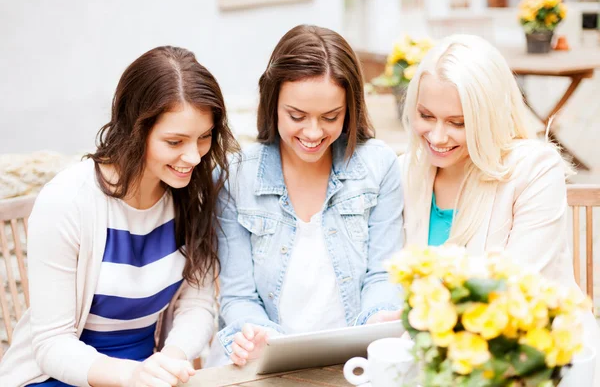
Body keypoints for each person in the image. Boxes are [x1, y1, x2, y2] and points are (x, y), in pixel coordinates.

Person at [0, 46, 238, 387]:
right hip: (57, 378)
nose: (193, 156)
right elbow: (52, 344)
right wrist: (132, 374)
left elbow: (198, 305)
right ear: (134, 130)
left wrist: (168, 361)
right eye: (174, 141)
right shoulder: (68, 201)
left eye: (204, 137)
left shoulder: (192, 193)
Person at [398, 34, 600, 381]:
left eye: (458, 122)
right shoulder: (407, 171)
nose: (437, 136)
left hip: (535, 365)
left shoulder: (534, 169)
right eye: (426, 115)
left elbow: (512, 295)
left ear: (488, 117)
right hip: (438, 367)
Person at [209, 24, 404, 367]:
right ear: (272, 104)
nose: (313, 133)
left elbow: (383, 274)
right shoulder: (235, 176)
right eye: (296, 116)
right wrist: (258, 340)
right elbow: (238, 296)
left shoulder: (378, 166)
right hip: (262, 366)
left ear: (351, 108)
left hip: (353, 363)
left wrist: (378, 318)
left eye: (331, 117)